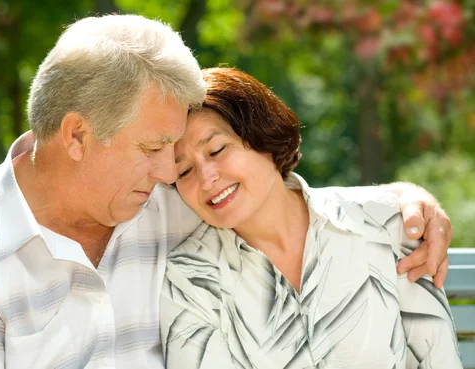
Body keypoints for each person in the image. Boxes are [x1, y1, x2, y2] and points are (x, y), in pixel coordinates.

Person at [0, 14, 453, 369]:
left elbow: (272, 193)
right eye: (153, 147)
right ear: (76, 135)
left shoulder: (167, 198)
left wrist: (406, 199)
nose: (173, 171)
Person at [160, 68, 461, 369]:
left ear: (263, 135)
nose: (206, 178)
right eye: (184, 171)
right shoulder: (188, 277)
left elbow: (437, 358)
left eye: (217, 149)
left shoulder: (386, 223)